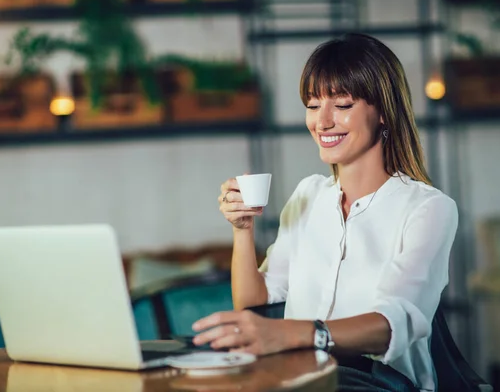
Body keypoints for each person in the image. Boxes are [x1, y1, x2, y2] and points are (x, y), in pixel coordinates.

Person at [191, 33, 458, 392]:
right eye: (313, 105)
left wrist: (291, 334)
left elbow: (391, 325)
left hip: (378, 382)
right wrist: (242, 229)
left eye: (343, 105)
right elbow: (252, 299)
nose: (322, 121)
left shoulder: (429, 209)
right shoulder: (308, 195)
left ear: (383, 113)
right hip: (300, 377)